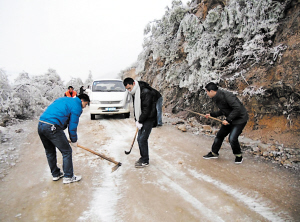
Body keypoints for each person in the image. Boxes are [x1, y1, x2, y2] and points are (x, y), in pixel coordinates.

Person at [38, 94, 90, 184]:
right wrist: (74, 140)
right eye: (86, 104)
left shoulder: (64, 99)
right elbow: (72, 126)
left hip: (41, 125)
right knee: (67, 151)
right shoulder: (77, 106)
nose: (85, 107)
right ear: (82, 100)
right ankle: (68, 176)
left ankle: (56, 174)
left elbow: (62, 117)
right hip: (52, 126)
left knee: (50, 151)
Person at [203, 82, 248, 164]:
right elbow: (224, 110)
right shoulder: (217, 97)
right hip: (230, 118)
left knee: (232, 138)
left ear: (212, 91)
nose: (207, 93)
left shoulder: (227, 96)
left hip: (240, 119)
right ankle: (214, 153)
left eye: (207, 91)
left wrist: (228, 120)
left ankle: (238, 156)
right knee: (220, 135)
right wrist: (212, 114)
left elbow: (237, 108)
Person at [123, 77, 157, 168]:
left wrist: (140, 120)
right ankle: (143, 157)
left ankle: (145, 160)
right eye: (127, 89)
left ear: (133, 83)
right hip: (142, 118)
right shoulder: (135, 92)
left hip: (149, 118)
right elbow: (136, 108)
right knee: (139, 139)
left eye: (129, 88)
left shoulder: (145, 92)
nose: (129, 90)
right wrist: (137, 120)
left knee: (142, 139)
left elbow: (147, 109)